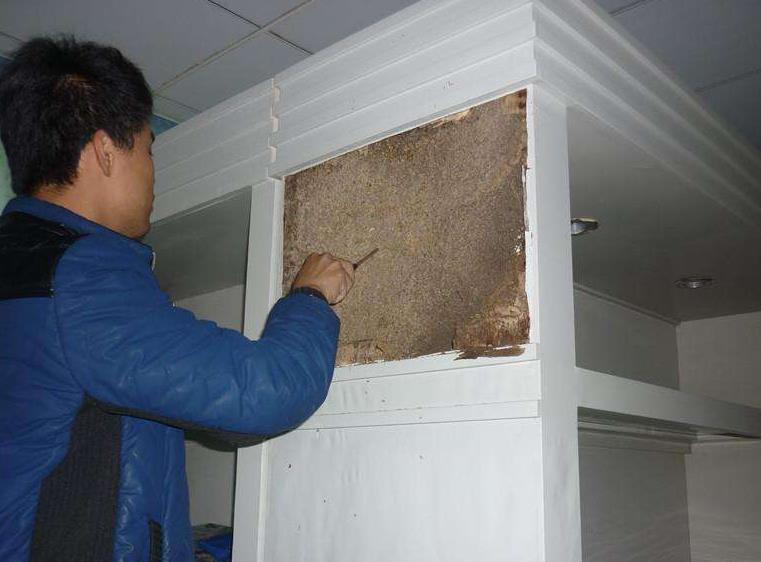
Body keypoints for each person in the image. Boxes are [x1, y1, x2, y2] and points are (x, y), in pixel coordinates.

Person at [0, 37, 354, 562]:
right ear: (104, 151)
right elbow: (263, 392)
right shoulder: (80, 277)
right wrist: (310, 296)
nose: (152, 170)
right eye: (148, 149)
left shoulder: (22, 264)